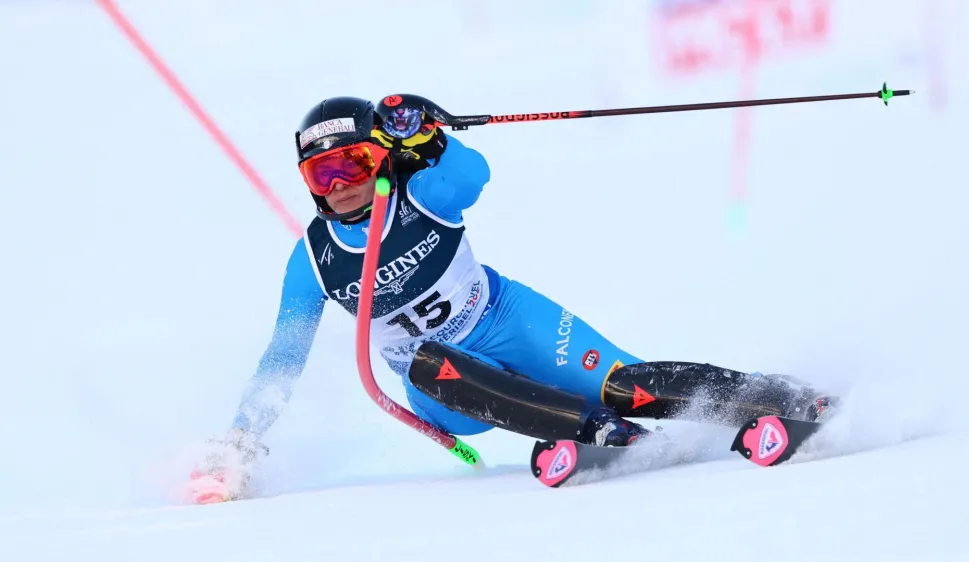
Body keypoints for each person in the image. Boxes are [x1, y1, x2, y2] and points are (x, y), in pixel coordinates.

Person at [188, 95, 833, 503]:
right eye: (321, 175)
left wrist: (431, 136)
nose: (341, 186)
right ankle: (590, 435)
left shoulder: (420, 194)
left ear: (379, 157)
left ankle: (774, 397)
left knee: (621, 382)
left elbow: (473, 174)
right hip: (446, 389)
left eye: (353, 165)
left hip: (506, 319)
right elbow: (283, 356)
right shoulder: (312, 260)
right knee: (424, 361)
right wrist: (242, 439)